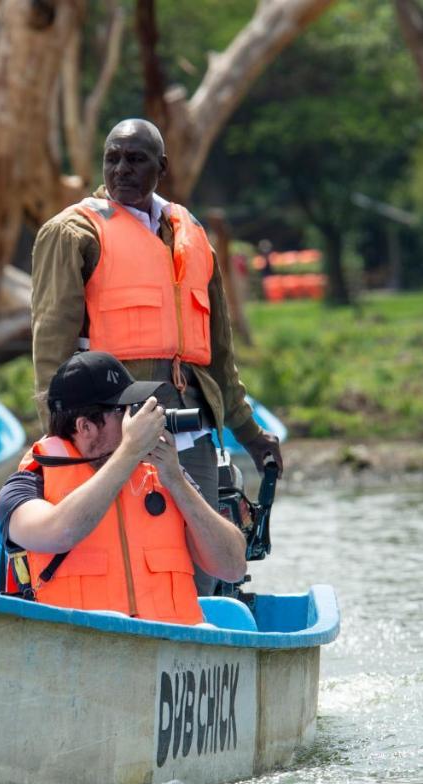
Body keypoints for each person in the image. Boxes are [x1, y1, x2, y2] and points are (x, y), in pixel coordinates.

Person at [29, 119, 282, 594]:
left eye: (136, 159)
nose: (121, 169)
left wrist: (250, 434)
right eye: (113, 158)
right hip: (114, 428)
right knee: (128, 559)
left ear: (161, 167)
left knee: (207, 567)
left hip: (194, 426)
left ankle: (207, 646)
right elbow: (51, 354)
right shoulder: (72, 232)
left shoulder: (192, 235)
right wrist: (60, 442)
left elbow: (219, 355)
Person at [0, 352, 247, 626]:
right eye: (125, 410)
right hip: (81, 650)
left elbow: (232, 566)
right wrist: (129, 451)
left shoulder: (163, 474)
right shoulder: (29, 484)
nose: (139, 418)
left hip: (173, 653)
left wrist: (177, 481)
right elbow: (58, 533)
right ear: (86, 427)